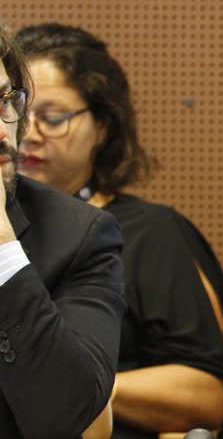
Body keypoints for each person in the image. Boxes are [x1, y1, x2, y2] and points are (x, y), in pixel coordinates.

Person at [15, 23, 223, 438]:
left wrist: (78, 384)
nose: (28, 134)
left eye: (53, 117)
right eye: (17, 111)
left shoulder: (151, 233)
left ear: (103, 125)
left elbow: (207, 396)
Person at [0, 23, 125, 437]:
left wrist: (3, 251)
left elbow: (65, 417)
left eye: (5, 101)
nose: (4, 130)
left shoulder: (76, 237)